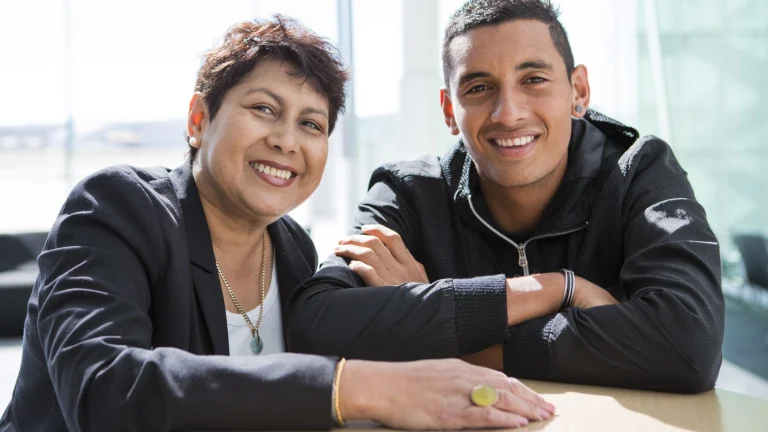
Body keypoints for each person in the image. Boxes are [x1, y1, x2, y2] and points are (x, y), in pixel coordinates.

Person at [0, 16, 556, 432]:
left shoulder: (293, 251)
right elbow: (106, 392)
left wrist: (410, 305)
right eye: (263, 109)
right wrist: (352, 384)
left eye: (311, 123)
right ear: (199, 120)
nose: (287, 140)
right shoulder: (118, 208)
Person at [289, 0, 724, 393]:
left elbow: (688, 343)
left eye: (533, 79)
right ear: (448, 110)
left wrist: (440, 326)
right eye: (479, 88)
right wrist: (557, 287)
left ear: (579, 91)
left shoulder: (638, 172)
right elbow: (317, 325)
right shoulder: (408, 193)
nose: (508, 113)